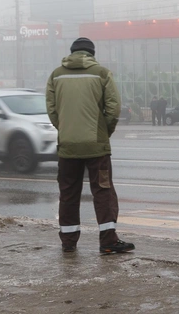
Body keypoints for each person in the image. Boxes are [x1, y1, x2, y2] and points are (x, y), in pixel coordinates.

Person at [45, 37, 135, 255]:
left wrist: (65, 129)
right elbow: (113, 108)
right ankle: (108, 241)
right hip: (96, 148)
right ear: (92, 54)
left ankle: (68, 242)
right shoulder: (101, 74)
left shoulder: (56, 75)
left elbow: (52, 110)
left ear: (72, 53)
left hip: (67, 147)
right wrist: (103, 132)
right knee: (103, 191)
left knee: (67, 193)